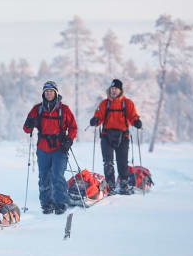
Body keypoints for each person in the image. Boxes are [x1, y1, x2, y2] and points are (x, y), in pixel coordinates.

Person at [23, 81, 77, 215]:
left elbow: (73, 127)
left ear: (56, 93)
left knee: (57, 176)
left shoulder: (64, 109)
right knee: (44, 177)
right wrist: (30, 123)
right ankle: (47, 204)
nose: (48, 94)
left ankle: (61, 203)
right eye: (46, 91)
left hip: (60, 148)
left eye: (51, 91)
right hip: (43, 148)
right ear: (43, 93)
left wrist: (69, 140)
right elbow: (26, 129)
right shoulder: (37, 109)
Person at [89, 79, 142, 195]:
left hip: (123, 136)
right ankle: (110, 186)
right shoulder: (104, 103)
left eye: (116, 89)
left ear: (120, 90)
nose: (113, 90)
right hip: (106, 136)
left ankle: (123, 185)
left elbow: (133, 116)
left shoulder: (127, 103)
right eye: (112, 88)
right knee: (108, 162)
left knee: (122, 162)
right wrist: (95, 120)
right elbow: (98, 116)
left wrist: (137, 122)